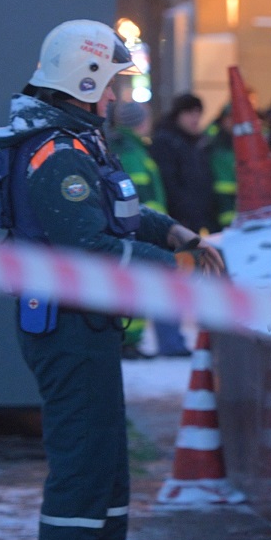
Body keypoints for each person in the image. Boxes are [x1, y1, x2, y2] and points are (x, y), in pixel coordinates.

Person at [0, 20, 225, 540]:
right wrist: (178, 269)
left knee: (109, 471)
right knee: (84, 470)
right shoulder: (56, 153)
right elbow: (88, 246)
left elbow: (118, 213)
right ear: (83, 82)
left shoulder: (74, 143)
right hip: (66, 328)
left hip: (85, 329)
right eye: (110, 85)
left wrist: (175, 233)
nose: (116, 97)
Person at [109, 100, 190, 358]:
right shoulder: (132, 151)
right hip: (143, 231)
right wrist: (157, 228)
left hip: (140, 229)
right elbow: (141, 195)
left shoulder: (130, 147)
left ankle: (136, 340)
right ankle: (136, 341)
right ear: (139, 122)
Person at [151, 92, 215, 235]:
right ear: (178, 115)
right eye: (190, 113)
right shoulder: (166, 142)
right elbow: (169, 183)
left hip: (198, 219)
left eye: (198, 113)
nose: (195, 118)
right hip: (179, 221)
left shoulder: (197, 142)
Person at [201, 101, 238, 231]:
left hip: (239, 198)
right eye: (230, 118)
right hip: (217, 199)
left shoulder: (242, 142)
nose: (233, 122)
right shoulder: (212, 141)